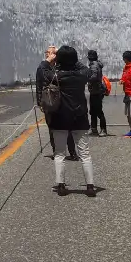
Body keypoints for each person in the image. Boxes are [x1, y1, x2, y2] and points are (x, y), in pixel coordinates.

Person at [49, 45, 96, 197]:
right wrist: (74, 59)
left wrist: (51, 58)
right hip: (79, 116)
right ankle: (90, 187)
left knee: (59, 153)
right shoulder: (83, 74)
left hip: (60, 117)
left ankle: (61, 186)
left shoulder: (55, 75)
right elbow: (86, 69)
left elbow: (42, 70)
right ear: (75, 59)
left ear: (59, 59)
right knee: (85, 154)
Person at [36, 45, 76, 159]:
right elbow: (39, 85)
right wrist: (40, 102)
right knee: (52, 129)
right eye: (47, 52)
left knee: (67, 128)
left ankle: (72, 152)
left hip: (63, 102)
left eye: (49, 52)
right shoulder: (43, 68)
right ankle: (57, 152)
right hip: (50, 102)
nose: (47, 54)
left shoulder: (60, 68)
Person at [86, 49, 108, 135]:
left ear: (90, 57)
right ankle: (94, 128)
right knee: (93, 111)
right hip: (96, 90)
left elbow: (94, 76)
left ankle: (103, 130)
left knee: (98, 111)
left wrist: (86, 78)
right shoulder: (96, 64)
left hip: (96, 91)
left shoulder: (94, 65)